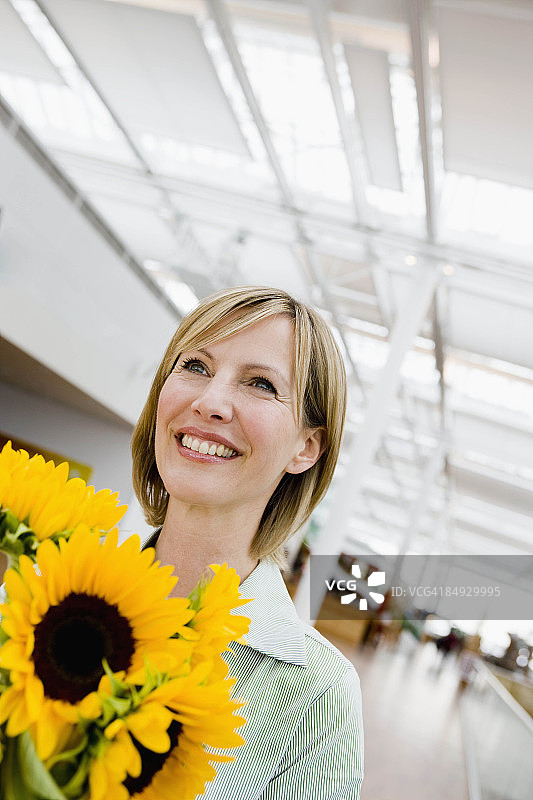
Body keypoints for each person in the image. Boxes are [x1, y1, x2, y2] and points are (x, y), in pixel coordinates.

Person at [131, 286, 364, 799]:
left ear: (306, 447)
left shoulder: (317, 697)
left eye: (260, 383)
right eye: (195, 365)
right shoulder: (42, 588)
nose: (210, 402)